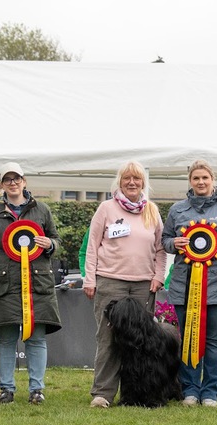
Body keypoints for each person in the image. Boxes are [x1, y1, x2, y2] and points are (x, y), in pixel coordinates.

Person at [0, 162, 61, 405]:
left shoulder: (42, 210)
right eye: (8, 179)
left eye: (17, 178)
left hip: (37, 284)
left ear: (24, 181)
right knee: (5, 339)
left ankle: (37, 389)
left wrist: (51, 244)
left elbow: (56, 240)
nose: (13, 183)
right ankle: (6, 389)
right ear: (2, 184)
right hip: (2, 286)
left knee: (36, 338)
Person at [162, 159, 217, 407]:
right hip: (184, 286)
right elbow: (165, 240)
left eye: (205, 178)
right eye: (196, 178)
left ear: (212, 180)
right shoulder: (177, 210)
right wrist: (173, 243)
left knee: (214, 341)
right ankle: (189, 390)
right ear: (190, 181)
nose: (201, 182)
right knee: (189, 338)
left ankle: (210, 392)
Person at [83, 161, 167, 408]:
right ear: (119, 182)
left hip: (143, 285)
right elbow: (92, 246)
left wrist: (159, 276)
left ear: (143, 183)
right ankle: (103, 393)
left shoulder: (152, 210)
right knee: (108, 339)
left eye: (137, 179)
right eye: (127, 178)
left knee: (142, 342)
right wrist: (90, 278)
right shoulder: (106, 208)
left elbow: (161, 248)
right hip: (110, 282)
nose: (132, 183)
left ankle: (137, 393)